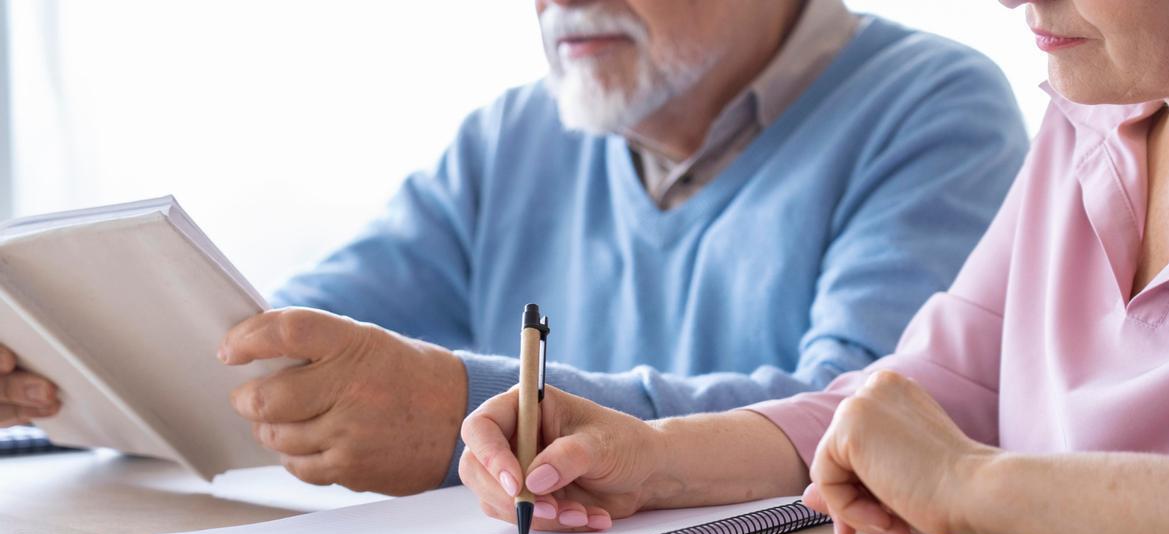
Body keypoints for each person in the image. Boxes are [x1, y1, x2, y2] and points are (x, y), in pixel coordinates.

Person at [0, 0, 1028, 496]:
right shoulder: (514, 134)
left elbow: (868, 421)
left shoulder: (938, 107)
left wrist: (463, 413)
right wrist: (73, 357)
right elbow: (277, 341)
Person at [459, 0, 1169, 534]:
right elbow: (920, 397)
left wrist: (974, 482)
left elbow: (940, 457)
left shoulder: (934, 100)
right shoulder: (1086, 128)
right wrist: (653, 456)